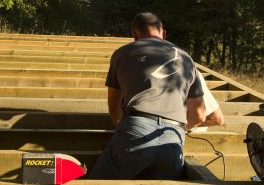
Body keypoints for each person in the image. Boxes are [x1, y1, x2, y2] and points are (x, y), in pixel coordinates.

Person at [88, 12, 206, 180]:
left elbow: (114, 106)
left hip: (136, 127)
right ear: (163, 33)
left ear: (134, 35)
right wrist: (176, 131)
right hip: (173, 137)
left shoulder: (123, 53)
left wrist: (122, 127)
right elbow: (199, 115)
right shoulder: (187, 59)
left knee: (97, 183)